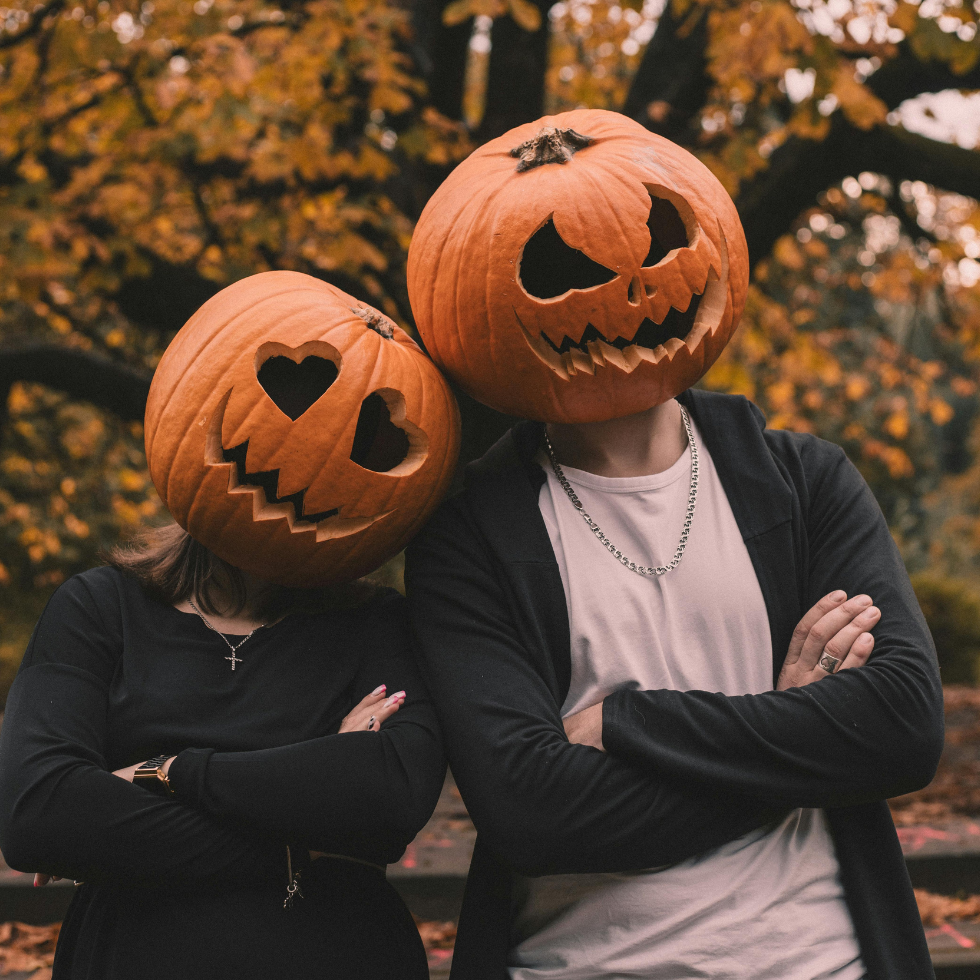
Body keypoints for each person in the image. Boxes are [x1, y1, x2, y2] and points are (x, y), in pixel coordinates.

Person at [403, 113, 944, 980]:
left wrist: (627, 720)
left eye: (656, 240)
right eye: (561, 270)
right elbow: (532, 813)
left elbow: (902, 728)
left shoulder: (804, 483)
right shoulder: (465, 540)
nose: (622, 287)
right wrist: (789, 730)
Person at [0, 521, 444, 980]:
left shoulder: (375, 619)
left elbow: (393, 791)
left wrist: (169, 771)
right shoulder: (97, 606)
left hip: (338, 956)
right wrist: (300, 846)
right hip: (131, 957)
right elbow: (39, 815)